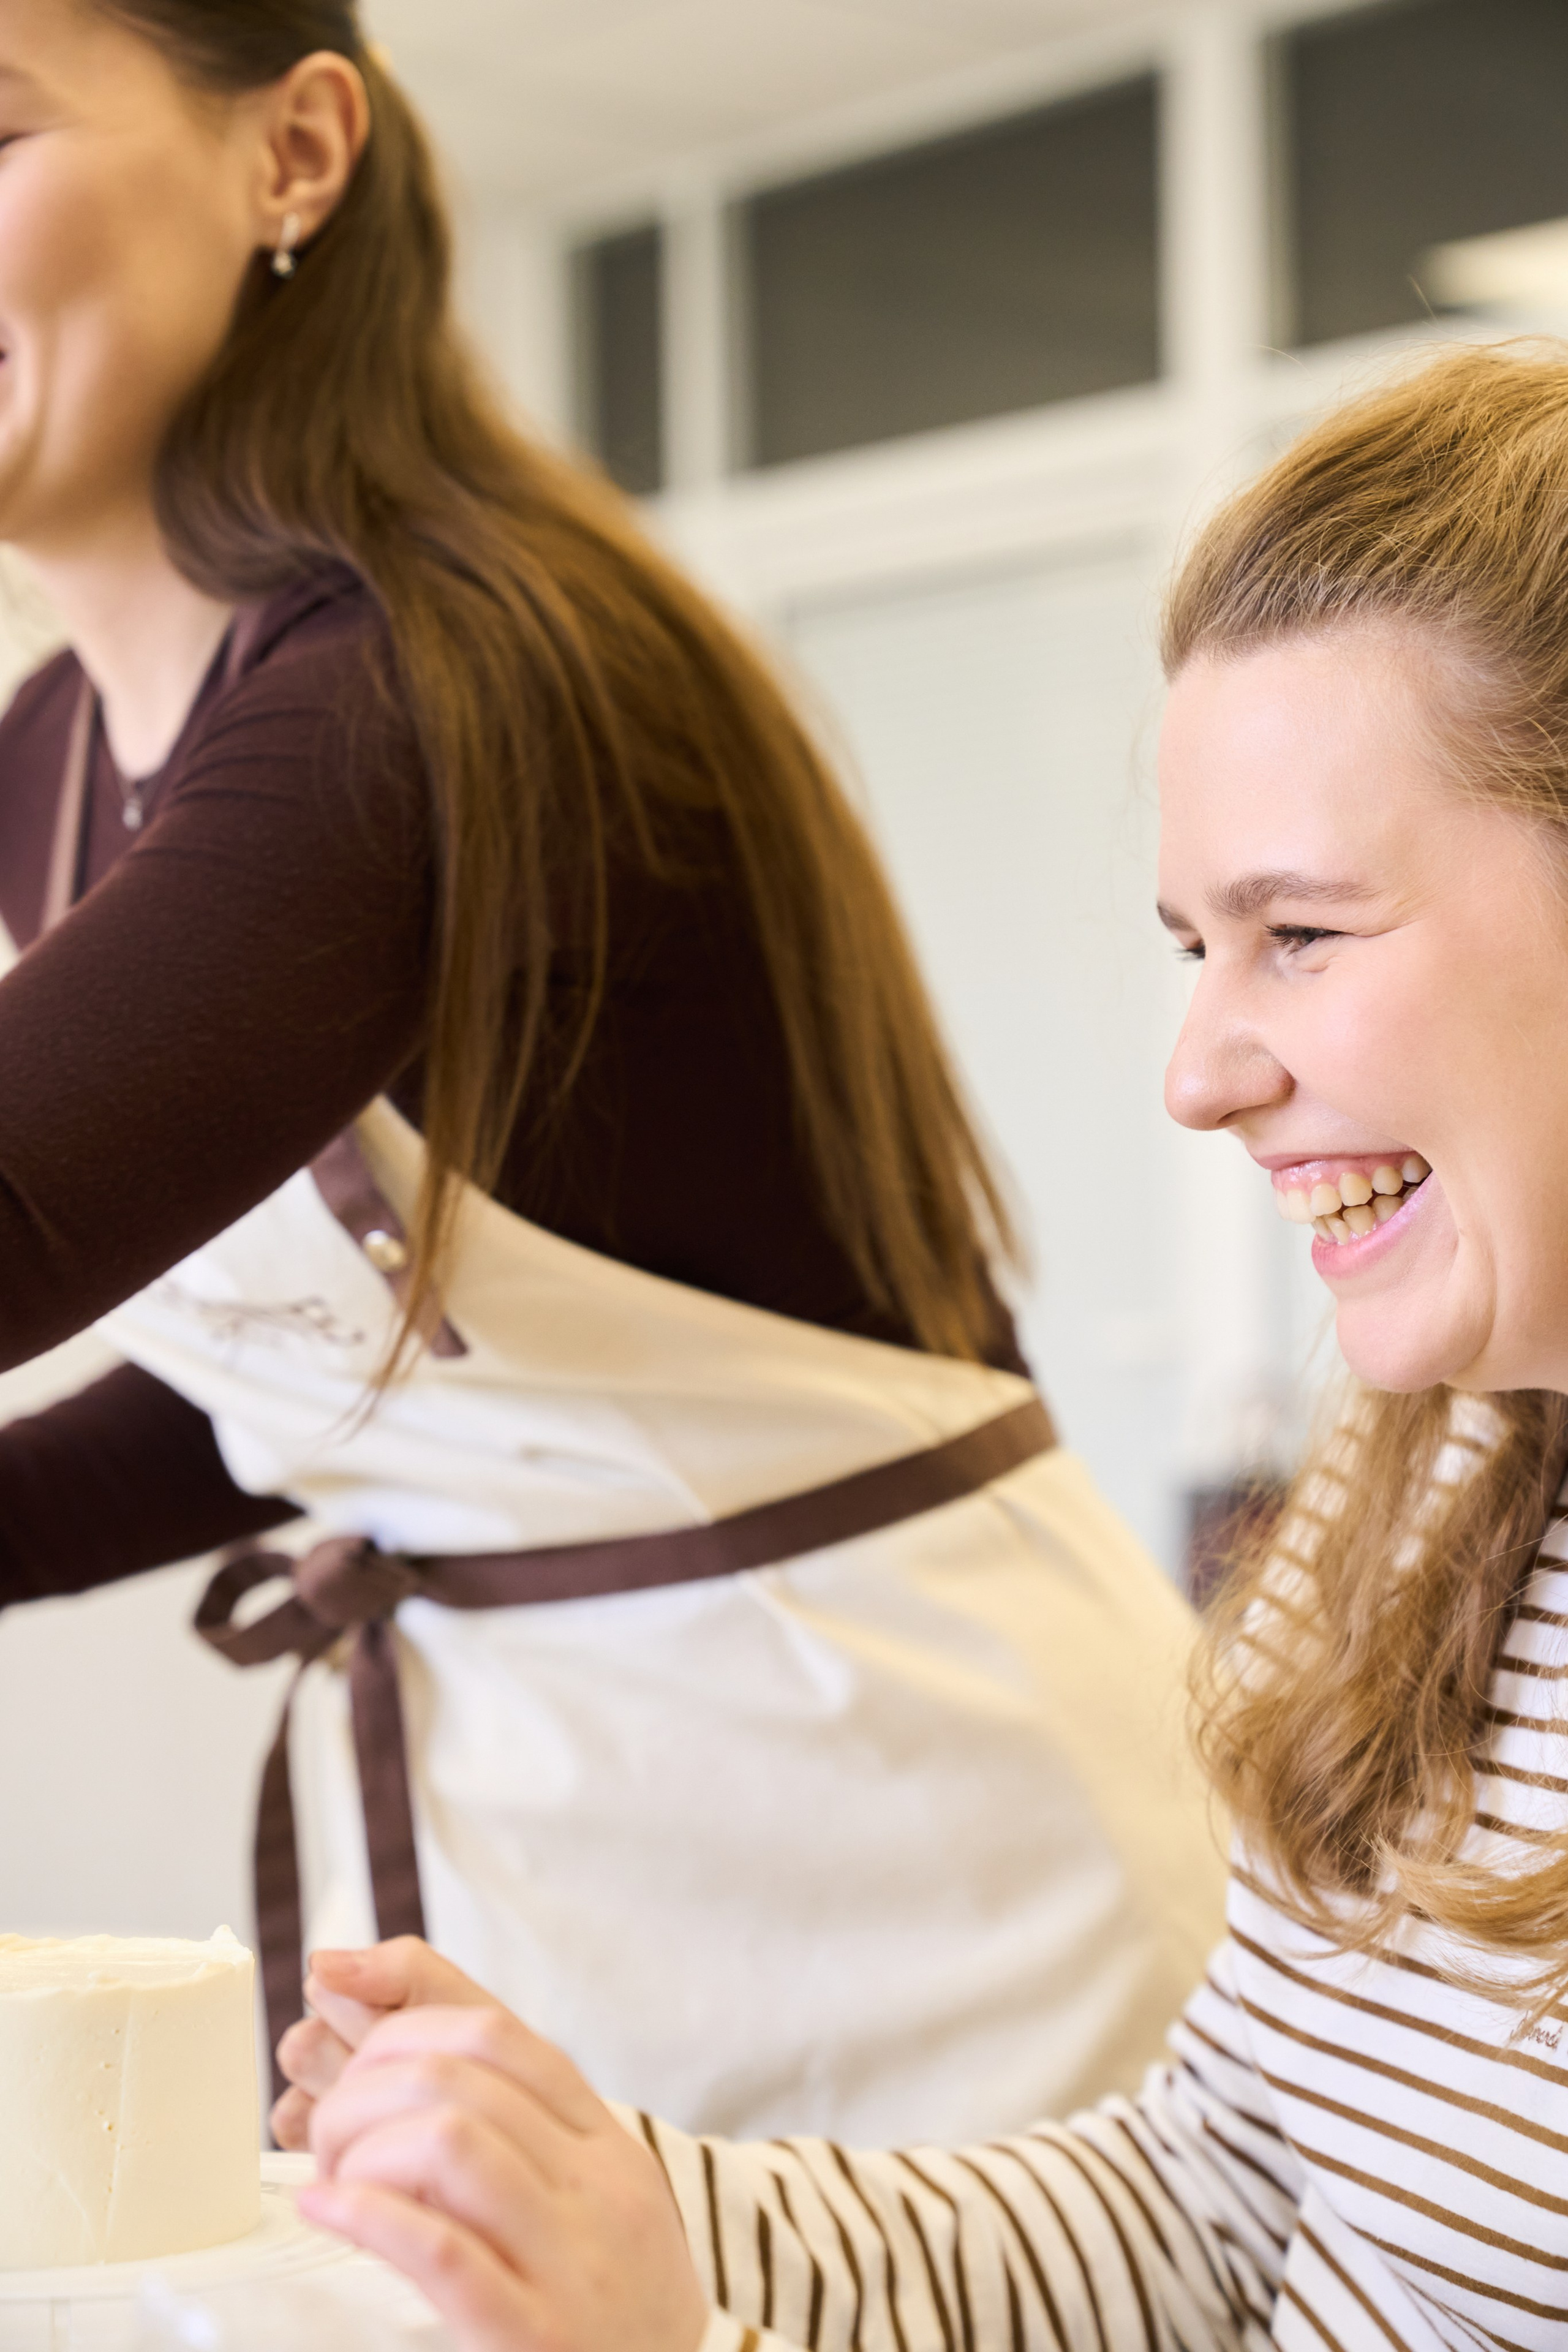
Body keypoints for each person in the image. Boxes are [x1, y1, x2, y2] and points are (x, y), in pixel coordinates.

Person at [0, 0, 1224, 2145]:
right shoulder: (54, 761)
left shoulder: (443, 677)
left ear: (293, 156)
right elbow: (298, 1378)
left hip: (914, 1832)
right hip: (557, 1839)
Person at [273, 340, 1568, 2352]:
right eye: (1190, 946)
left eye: (1300, 932)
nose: (1202, 1073)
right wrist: (630, 2200)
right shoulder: (1437, 1491)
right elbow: (1206, 2208)